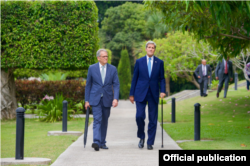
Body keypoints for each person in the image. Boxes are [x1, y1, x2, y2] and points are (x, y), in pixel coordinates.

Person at [129, 41, 166, 150]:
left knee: (153, 119)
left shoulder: (159, 62)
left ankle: (150, 142)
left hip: (153, 93)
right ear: (146, 49)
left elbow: (162, 78)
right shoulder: (139, 62)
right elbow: (135, 78)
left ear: (154, 50)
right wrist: (131, 94)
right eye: (149, 47)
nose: (151, 49)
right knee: (139, 116)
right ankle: (141, 137)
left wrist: (163, 91)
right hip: (140, 93)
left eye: (153, 48)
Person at [85, 49, 120, 151]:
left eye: (107, 56)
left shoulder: (113, 69)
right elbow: (88, 85)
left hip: (107, 98)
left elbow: (116, 84)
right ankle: (96, 141)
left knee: (104, 121)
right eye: (104, 56)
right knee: (97, 120)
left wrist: (116, 98)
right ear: (98, 58)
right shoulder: (92, 68)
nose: (106, 58)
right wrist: (87, 100)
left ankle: (102, 142)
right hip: (95, 98)